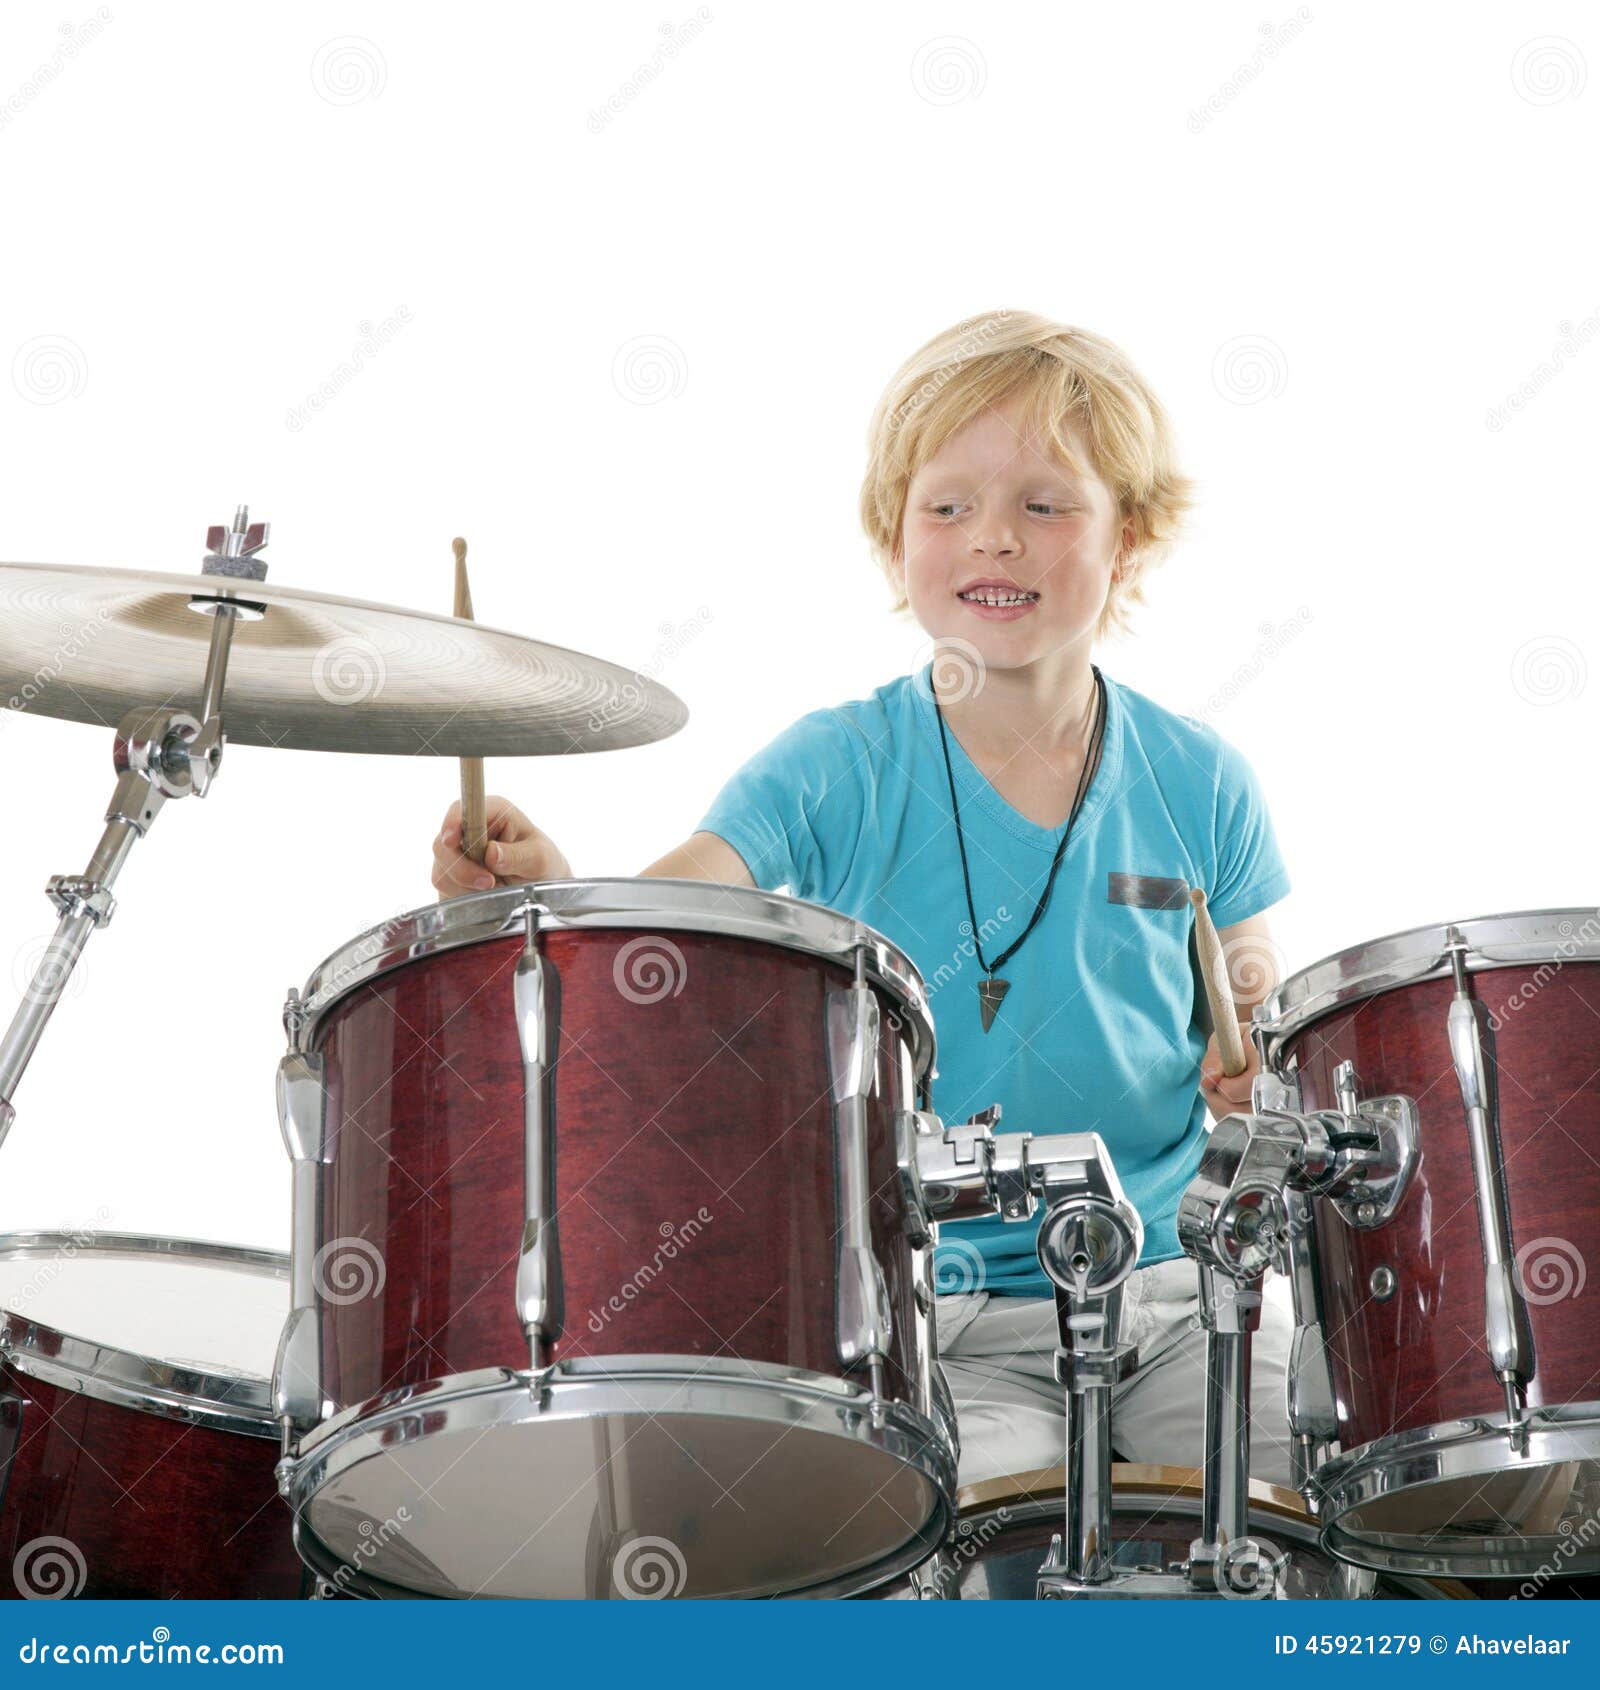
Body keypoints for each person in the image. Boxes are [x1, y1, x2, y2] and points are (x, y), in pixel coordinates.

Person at [429, 308, 1295, 1487]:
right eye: (947, 507)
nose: (994, 538)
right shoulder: (836, 763)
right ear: (895, 540)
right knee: (970, 1525)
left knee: (1284, 1488)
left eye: (1045, 505)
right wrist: (562, 892)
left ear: (1129, 539)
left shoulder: (1201, 778)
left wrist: (1260, 1054)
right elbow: (677, 908)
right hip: (942, 1316)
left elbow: (1251, 986)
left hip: (1174, 1299)